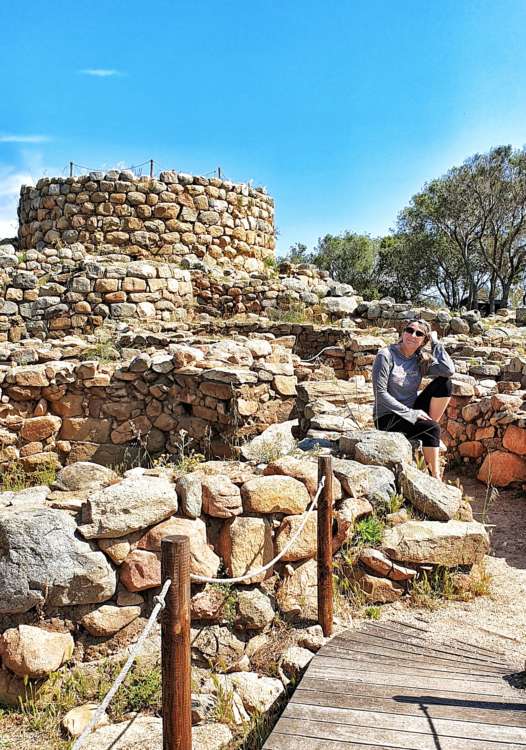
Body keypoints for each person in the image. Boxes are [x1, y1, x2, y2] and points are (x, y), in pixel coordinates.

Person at [371, 319, 455, 479]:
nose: (412, 335)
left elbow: (448, 370)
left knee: (444, 383)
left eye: (419, 333)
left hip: (412, 409)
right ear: (403, 332)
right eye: (409, 330)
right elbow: (380, 394)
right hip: (387, 416)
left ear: (424, 340)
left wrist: (436, 343)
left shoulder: (419, 360)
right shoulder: (386, 355)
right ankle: (435, 478)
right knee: (432, 429)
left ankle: (429, 428)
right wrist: (410, 414)